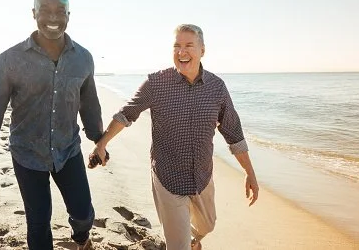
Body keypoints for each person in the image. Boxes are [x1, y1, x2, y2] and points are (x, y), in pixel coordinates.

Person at [89, 24, 259, 250]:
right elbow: (126, 114)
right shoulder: (156, 83)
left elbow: (234, 133)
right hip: (167, 178)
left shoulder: (217, 88)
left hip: (202, 177)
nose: (182, 52)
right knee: (178, 246)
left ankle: (192, 240)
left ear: (202, 50)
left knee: (208, 226)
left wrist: (250, 172)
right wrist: (102, 144)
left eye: (189, 45)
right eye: (177, 46)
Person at [0, 0, 106, 250]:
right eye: (45, 10)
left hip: (68, 150)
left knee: (82, 214)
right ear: (34, 14)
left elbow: (89, 103)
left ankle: (82, 239)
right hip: (27, 154)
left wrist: (98, 141)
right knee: (38, 222)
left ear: (68, 16)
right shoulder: (10, 60)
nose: (52, 17)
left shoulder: (83, 58)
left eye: (60, 11)